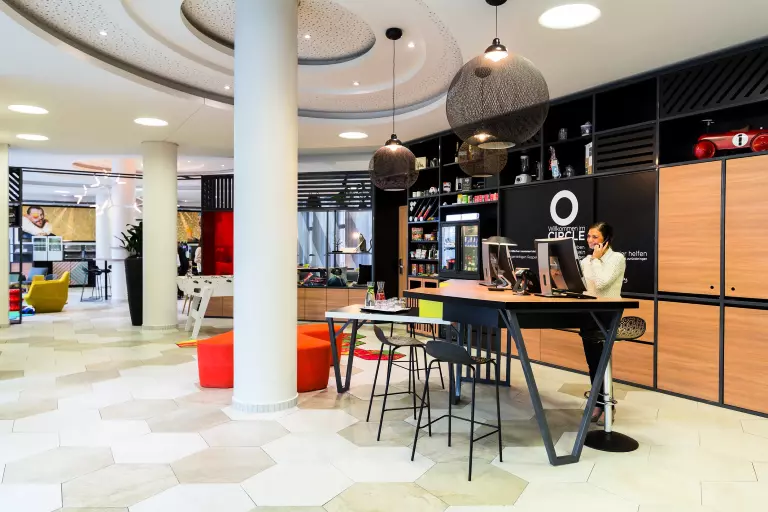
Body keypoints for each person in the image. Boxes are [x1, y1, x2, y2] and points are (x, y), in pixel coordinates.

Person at [579, 221, 626, 424]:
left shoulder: (617, 259)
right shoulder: (586, 260)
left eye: (595, 237)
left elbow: (602, 283)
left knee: (602, 361)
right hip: (589, 312)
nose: (590, 240)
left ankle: (608, 406)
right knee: (592, 362)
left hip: (607, 313)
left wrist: (596, 260)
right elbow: (585, 286)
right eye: (588, 236)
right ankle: (598, 403)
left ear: (606, 240)